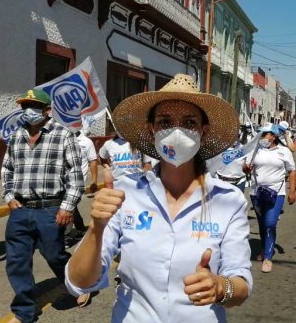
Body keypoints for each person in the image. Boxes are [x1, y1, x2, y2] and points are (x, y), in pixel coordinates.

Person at [66, 74, 252, 323]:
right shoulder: (125, 193)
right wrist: (96, 229)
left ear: (203, 130)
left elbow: (241, 286)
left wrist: (220, 287)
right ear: (151, 128)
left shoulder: (228, 200)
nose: (176, 130)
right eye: (165, 121)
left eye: (189, 122)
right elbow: (79, 282)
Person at [2, 89, 87, 323]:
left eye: (34, 106)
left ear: (47, 110)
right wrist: (8, 196)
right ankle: (24, 312)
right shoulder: (16, 135)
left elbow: (75, 176)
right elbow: (7, 169)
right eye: (24, 106)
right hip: (20, 209)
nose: (28, 110)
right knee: (17, 261)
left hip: (50, 208)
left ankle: (78, 283)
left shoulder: (63, 135)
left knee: (54, 254)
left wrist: (67, 207)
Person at [244, 123, 296, 273]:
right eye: (261, 134)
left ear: (273, 136)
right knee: (262, 224)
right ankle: (264, 247)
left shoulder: (284, 151)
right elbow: (246, 167)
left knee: (270, 223)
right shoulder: (255, 150)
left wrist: (292, 191)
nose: (261, 137)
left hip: (276, 192)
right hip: (257, 193)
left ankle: (268, 257)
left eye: (265, 134)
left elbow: (292, 171)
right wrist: (246, 169)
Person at [63, 130, 97, 248]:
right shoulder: (62, 137)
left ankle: (66, 237)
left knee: (69, 206)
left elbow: (93, 162)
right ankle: (81, 228)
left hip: (77, 182)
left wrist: (94, 181)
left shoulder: (87, 142)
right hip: (62, 180)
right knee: (70, 205)